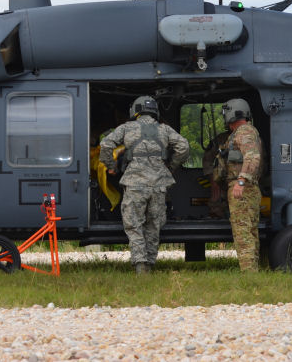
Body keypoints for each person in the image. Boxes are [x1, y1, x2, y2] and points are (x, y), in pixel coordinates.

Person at [99, 95, 189, 274]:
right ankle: (150, 263)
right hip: (158, 185)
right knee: (154, 225)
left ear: (135, 110)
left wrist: (112, 167)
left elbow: (105, 144)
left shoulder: (126, 128)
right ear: (155, 110)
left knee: (134, 225)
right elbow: (184, 146)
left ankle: (141, 267)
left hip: (134, 184)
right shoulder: (164, 129)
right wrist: (170, 167)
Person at [221, 98, 264, 272]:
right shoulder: (243, 132)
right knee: (250, 231)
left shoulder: (244, 132)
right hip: (248, 189)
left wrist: (241, 181)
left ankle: (249, 274)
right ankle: (253, 271)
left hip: (243, 190)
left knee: (243, 233)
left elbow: (252, 157)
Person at [201, 129, 230, 218]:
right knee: (216, 204)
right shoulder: (220, 139)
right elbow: (207, 160)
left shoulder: (252, 137)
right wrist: (213, 181)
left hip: (245, 182)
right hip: (222, 181)